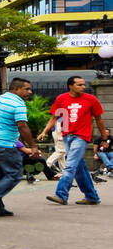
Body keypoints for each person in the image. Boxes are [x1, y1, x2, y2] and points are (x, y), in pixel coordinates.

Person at [38, 75, 107, 207]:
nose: (83, 87)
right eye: (79, 85)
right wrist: (44, 131)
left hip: (81, 137)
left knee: (70, 166)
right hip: (67, 136)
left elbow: (99, 120)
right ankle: (91, 196)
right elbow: (54, 117)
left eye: (83, 84)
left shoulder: (91, 99)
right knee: (79, 167)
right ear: (70, 86)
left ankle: (61, 195)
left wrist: (104, 138)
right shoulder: (61, 98)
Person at [0, 77, 41, 217]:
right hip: (6, 145)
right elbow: (22, 125)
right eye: (26, 89)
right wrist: (33, 146)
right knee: (15, 174)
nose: (30, 92)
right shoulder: (18, 104)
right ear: (16, 89)